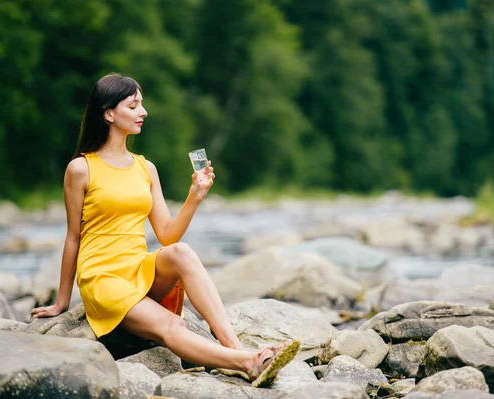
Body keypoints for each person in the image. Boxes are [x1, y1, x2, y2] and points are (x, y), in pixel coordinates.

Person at [30, 73, 298, 387]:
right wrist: (62, 301)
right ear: (108, 113)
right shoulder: (81, 169)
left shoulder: (146, 168)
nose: (143, 111)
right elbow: (73, 236)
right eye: (133, 105)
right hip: (103, 279)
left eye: (141, 104)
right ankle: (248, 362)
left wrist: (194, 197)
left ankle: (234, 347)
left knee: (181, 252)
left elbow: (168, 236)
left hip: (138, 269)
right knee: (172, 324)